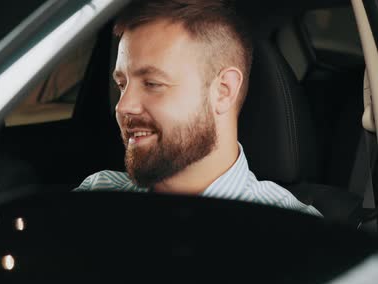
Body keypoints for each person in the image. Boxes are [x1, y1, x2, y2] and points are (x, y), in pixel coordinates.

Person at [74, 0, 321, 217]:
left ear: (223, 91)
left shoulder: (293, 232)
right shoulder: (96, 194)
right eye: (121, 85)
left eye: (152, 84)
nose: (123, 106)